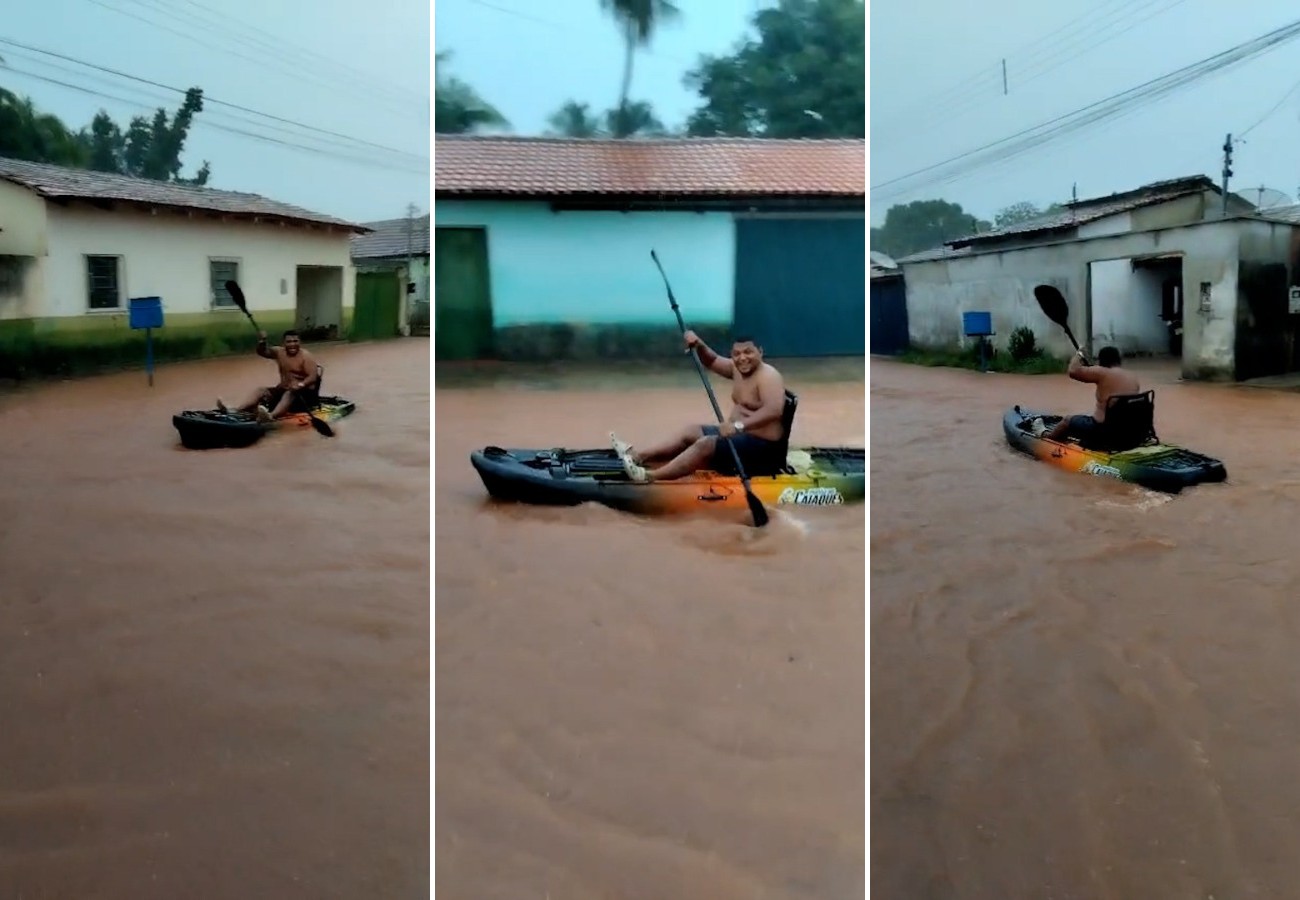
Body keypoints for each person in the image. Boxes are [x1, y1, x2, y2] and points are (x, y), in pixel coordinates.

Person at [611, 332, 788, 483]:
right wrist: (699, 344)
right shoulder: (737, 368)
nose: (742, 358)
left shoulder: (768, 376)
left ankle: (650, 476)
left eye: (748, 352)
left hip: (764, 451)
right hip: (738, 436)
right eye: (736, 354)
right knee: (692, 431)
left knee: (706, 444)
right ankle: (639, 456)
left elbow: (774, 410)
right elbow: (712, 360)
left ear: (761, 352)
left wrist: (737, 426)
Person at [1033, 345, 1140, 443]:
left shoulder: (1102, 372)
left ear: (1102, 360)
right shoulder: (1132, 377)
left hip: (1103, 430)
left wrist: (1079, 354)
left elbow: (1073, 371)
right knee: (1089, 415)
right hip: (1126, 428)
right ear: (1118, 359)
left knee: (1067, 420)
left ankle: (1046, 436)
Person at [217, 329, 320, 423]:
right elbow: (262, 352)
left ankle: (271, 416)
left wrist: (300, 385)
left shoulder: (306, 356)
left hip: (304, 395)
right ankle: (236, 410)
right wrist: (262, 341)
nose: (292, 344)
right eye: (289, 342)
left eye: (295, 341)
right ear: (283, 343)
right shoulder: (279, 352)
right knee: (261, 390)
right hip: (284, 389)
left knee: (290, 393)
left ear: (299, 342)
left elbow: (313, 377)